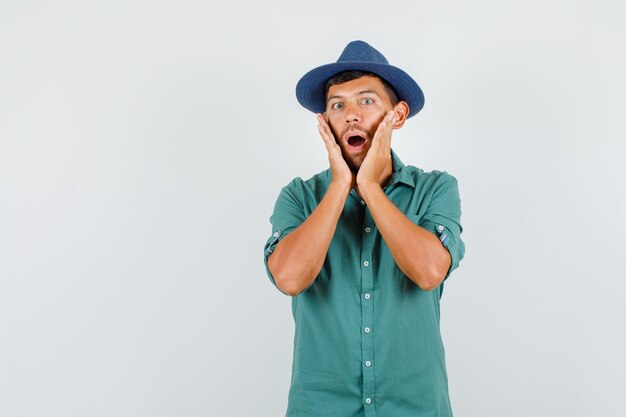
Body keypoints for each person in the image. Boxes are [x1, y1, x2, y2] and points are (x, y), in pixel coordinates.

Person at [263, 40, 465, 417]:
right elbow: (289, 278)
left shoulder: (436, 189)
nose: (351, 115)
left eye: (366, 101)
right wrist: (342, 184)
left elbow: (428, 272)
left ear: (398, 115)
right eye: (338, 105)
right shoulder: (298, 196)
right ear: (324, 120)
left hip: (416, 408)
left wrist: (370, 186)